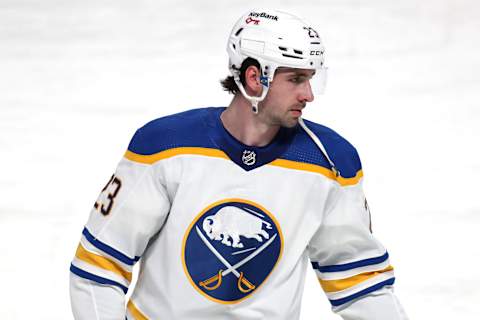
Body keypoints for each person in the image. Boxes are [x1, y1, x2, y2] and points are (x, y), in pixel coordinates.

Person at [70, 8, 409, 320]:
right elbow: (99, 267)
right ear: (253, 77)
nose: (308, 94)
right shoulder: (164, 147)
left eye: (310, 79)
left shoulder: (330, 163)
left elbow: (361, 283)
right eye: (295, 80)